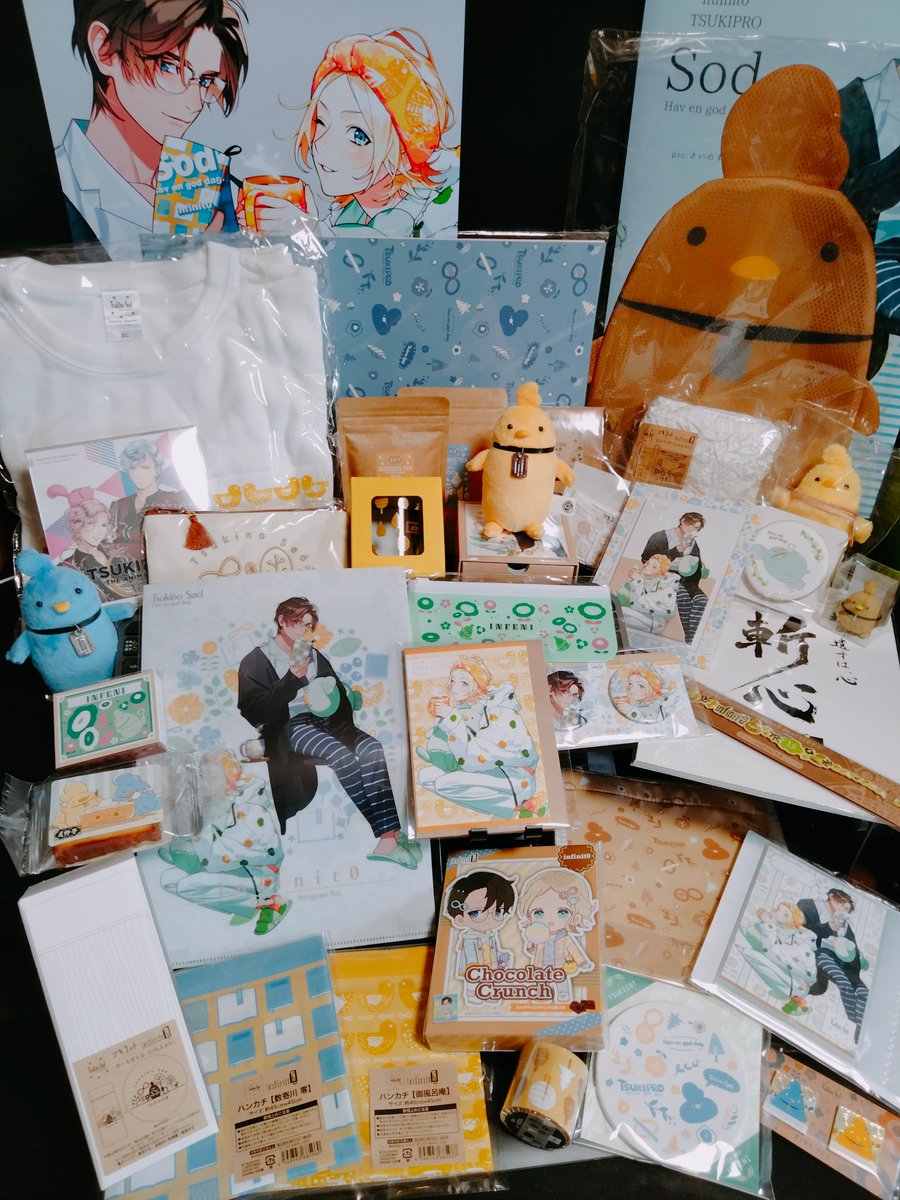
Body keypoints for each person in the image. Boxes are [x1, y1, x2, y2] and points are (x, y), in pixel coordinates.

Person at [237, 596, 421, 869]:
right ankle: (389, 835)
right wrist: (291, 679)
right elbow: (254, 710)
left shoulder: (311, 653)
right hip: (291, 727)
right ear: (282, 621)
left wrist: (336, 701)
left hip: (330, 721)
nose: (304, 630)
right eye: (299, 623)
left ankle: (388, 838)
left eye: (308, 626)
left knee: (372, 748)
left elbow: (335, 689)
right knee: (341, 755)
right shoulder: (256, 659)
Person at [58, 0, 248, 255]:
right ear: (104, 49)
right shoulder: (56, 183)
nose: (194, 103)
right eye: (170, 67)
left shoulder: (205, 177)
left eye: (205, 81)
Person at [247, 29, 457, 237]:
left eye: (358, 135)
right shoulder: (348, 213)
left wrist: (313, 232)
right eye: (320, 121)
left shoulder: (442, 212)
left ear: (404, 152)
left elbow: (389, 247)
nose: (323, 146)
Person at [157, 748, 291, 936]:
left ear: (230, 781)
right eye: (201, 776)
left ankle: (270, 903)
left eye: (210, 777)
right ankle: (245, 906)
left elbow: (219, 858)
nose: (202, 783)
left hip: (258, 876)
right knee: (167, 880)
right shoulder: (215, 804)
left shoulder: (250, 812)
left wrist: (194, 840)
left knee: (188, 886)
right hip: (230, 867)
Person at [417, 655, 544, 819]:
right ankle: (506, 806)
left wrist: (452, 720)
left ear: (477, 686)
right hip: (488, 766)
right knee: (425, 777)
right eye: (453, 681)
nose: (455, 688)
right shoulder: (468, 707)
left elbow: (476, 759)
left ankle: (515, 808)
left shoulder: (497, 712)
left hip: (513, 776)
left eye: (464, 683)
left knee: (444, 784)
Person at [797, 888, 870, 1043]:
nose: (844, 906)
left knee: (864, 992)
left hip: (840, 960)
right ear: (831, 895)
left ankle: (860, 1032)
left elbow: (852, 948)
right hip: (818, 954)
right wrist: (828, 927)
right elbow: (799, 930)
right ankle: (855, 1031)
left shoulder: (844, 922)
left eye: (847, 905)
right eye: (842, 901)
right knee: (844, 983)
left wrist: (857, 962)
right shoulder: (809, 905)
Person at [517, 868, 597, 1003]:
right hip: (541, 964)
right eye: (539, 913)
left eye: (562, 912)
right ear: (529, 916)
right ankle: (541, 991)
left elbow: (573, 949)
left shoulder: (564, 937)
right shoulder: (539, 935)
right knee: (541, 979)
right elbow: (533, 951)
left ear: (575, 917)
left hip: (560, 963)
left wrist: (582, 962)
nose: (549, 920)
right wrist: (531, 945)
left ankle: (563, 993)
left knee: (561, 979)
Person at [109, 438, 192, 556]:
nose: (138, 475)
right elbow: (109, 541)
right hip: (129, 565)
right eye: (133, 468)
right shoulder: (118, 506)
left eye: (145, 467)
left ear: (156, 470)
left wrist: (123, 533)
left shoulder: (175, 500)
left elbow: (172, 536)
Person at [54, 489, 141, 600]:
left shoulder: (120, 553)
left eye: (103, 525)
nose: (99, 532)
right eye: (91, 523)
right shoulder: (68, 568)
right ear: (76, 526)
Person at [445, 869, 515, 1003]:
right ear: (460, 918)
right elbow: (469, 955)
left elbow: (494, 950)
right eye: (475, 913)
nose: (489, 919)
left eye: (498, 911)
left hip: (490, 966)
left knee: (490, 981)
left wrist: (501, 956)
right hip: (475, 969)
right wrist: (474, 968)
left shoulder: (491, 935)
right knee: (474, 985)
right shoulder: (469, 938)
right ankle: (474, 996)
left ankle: (489, 994)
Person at [739, 901, 819, 1015]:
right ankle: (791, 1003)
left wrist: (769, 924)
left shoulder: (797, 941)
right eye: (777, 909)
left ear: (792, 922)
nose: (777, 912)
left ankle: (793, 1004)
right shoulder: (778, 929)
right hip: (791, 978)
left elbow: (772, 952)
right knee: (749, 951)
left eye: (786, 914)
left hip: (797, 981)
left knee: (751, 954)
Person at [640, 512, 709, 644]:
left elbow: (696, 568)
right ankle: (691, 640)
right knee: (683, 597)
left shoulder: (692, 543)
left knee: (702, 600)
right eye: (692, 526)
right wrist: (677, 550)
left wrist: (696, 571)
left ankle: (691, 638)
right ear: (683, 521)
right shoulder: (660, 537)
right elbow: (646, 559)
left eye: (696, 529)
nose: (694, 531)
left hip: (686, 582)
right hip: (663, 578)